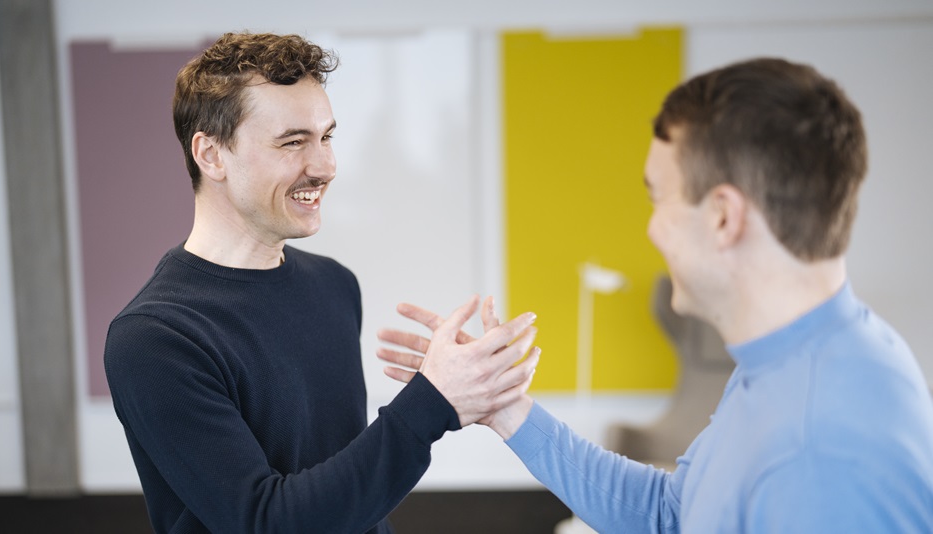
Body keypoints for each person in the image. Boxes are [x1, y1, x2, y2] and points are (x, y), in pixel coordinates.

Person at [379, 57, 933, 532]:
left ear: (722, 217)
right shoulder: (782, 362)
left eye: (659, 199)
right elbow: (671, 515)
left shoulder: (824, 448)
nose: (651, 231)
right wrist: (505, 408)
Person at [103, 32, 540, 534]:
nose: (325, 167)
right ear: (211, 155)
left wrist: (460, 386)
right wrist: (432, 401)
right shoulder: (155, 338)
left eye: (326, 137)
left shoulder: (333, 286)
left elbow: (349, 502)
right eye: (293, 142)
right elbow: (267, 521)